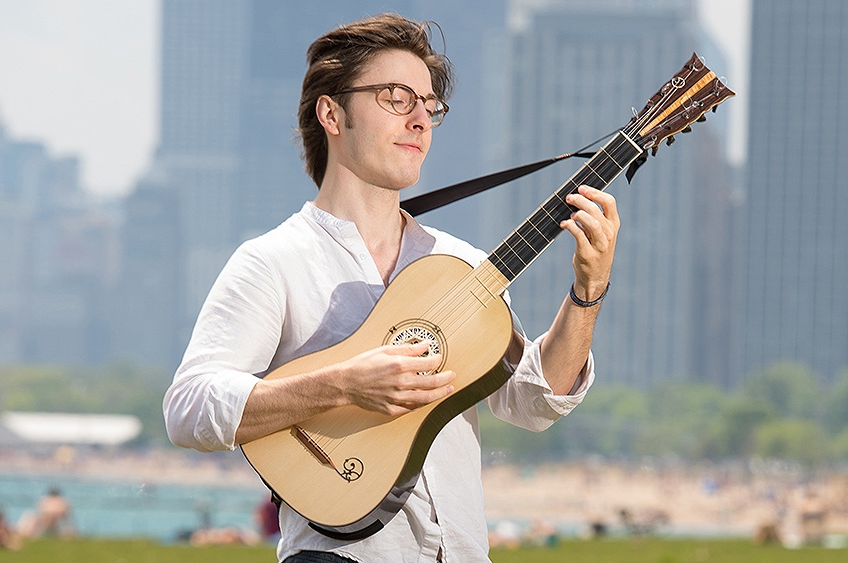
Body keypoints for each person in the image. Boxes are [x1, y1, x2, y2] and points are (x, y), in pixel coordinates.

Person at [163, 12, 620, 563]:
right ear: (332, 113)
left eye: (429, 106)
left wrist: (587, 292)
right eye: (396, 98)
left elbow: (530, 400)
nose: (420, 120)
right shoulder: (273, 261)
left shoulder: (461, 263)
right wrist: (343, 385)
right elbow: (188, 409)